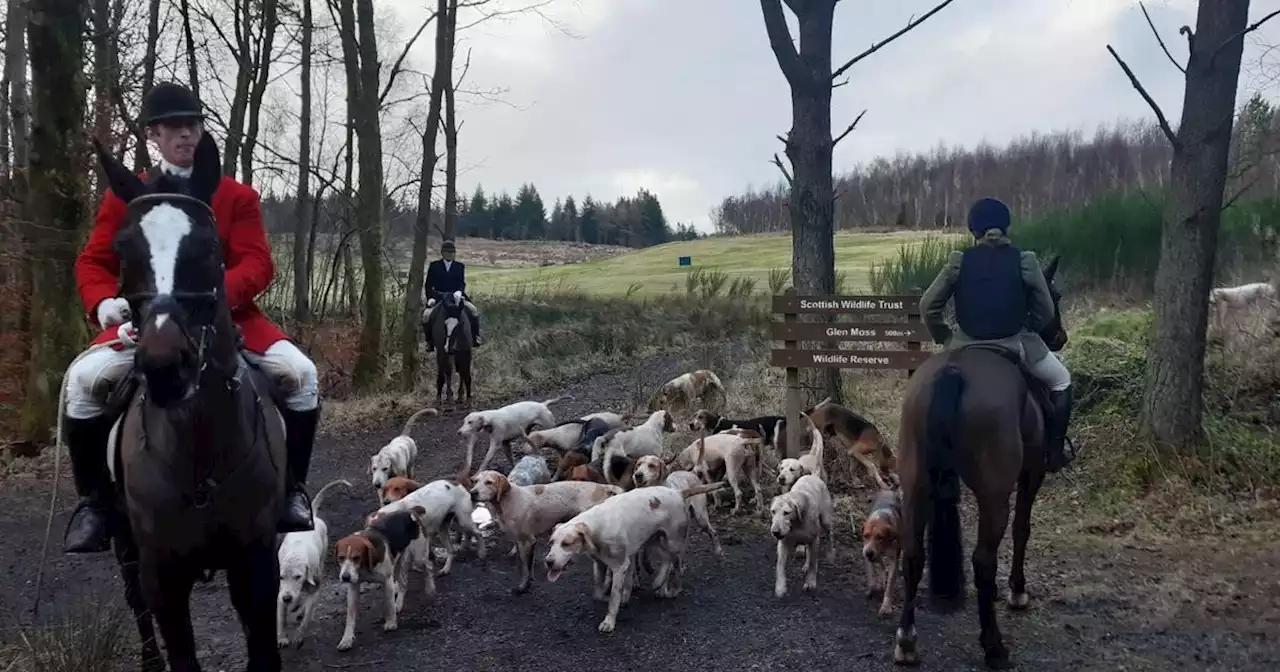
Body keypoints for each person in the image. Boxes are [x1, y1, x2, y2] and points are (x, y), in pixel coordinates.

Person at [62, 81, 321, 554]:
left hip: (231, 322)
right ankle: (96, 504)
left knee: (302, 376)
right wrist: (103, 303)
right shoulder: (127, 196)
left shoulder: (236, 196)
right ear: (152, 136)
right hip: (149, 325)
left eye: (193, 125)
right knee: (82, 383)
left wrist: (214, 297)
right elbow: (93, 261)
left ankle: (291, 494)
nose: (186, 134)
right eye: (174, 127)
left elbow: (258, 262)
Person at [919, 197, 1074, 472]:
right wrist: (1033, 328)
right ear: (1006, 228)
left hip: (963, 346)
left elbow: (928, 306)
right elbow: (1046, 310)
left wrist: (944, 336)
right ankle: (1053, 452)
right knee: (1062, 381)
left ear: (973, 230)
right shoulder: (1025, 261)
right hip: (1016, 344)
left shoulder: (958, 261)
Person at [422, 239, 483, 350]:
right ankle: (429, 341)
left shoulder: (459, 266)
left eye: (452, 253)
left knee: (473, 310)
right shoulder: (434, 266)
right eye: (448, 252)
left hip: (456, 297)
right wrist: (430, 297)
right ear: (443, 253)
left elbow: (461, 283)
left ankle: (475, 337)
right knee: (426, 316)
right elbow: (428, 285)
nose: (450, 255)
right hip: (439, 296)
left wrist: (459, 291)